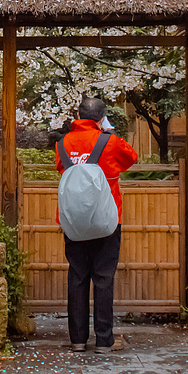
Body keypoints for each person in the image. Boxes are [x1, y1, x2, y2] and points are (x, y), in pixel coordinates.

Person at [57, 95, 138, 353]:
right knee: (103, 278)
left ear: (78, 116)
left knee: (78, 276)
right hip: (106, 220)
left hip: (74, 221)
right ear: (102, 118)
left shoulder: (63, 143)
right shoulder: (110, 141)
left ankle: (77, 339)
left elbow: (62, 168)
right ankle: (104, 340)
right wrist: (110, 131)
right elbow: (131, 158)